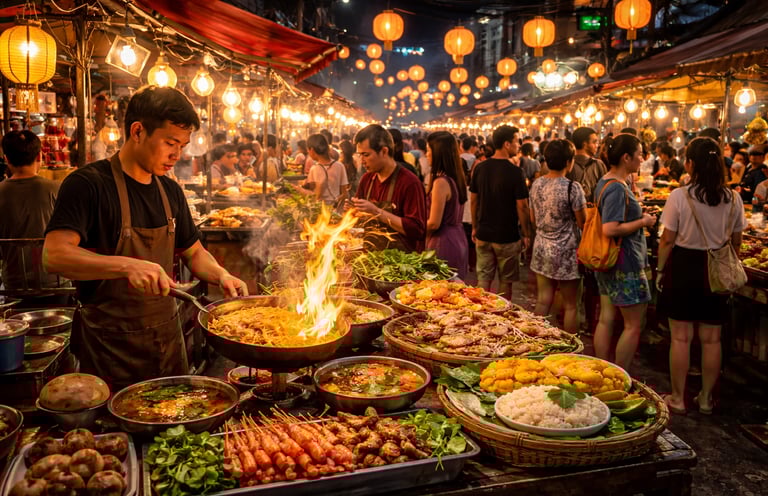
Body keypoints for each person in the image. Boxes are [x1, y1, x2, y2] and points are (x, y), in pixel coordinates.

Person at [43, 85, 248, 389]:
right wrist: (127, 266)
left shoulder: (170, 191)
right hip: (110, 350)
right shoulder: (88, 185)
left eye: (183, 145)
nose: (177, 154)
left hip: (167, 341)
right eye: (170, 142)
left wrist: (221, 274)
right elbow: (54, 255)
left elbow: (193, 252)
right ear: (138, 131)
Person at [656, 137, 746, 415]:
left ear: (691, 164)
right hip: (715, 269)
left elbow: (667, 240)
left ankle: (678, 398)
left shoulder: (679, 196)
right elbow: (737, 241)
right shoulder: (733, 198)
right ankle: (706, 399)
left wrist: (660, 270)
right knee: (712, 339)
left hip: (684, 266)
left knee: (681, 338)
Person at [592, 134, 657, 371]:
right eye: (639, 154)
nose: (642, 158)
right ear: (626, 157)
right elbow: (610, 228)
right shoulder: (617, 188)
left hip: (608, 260)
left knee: (606, 318)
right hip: (624, 261)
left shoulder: (604, 182)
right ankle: (620, 375)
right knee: (633, 324)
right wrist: (644, 222)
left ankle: (602, 371)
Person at [0, 131, 69, 305]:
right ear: (40, 156)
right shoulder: (57, 189)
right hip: (57, 284)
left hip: (13, 285)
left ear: (6, 159)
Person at [528, 139, 587, 333]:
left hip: (542, 247)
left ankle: (536, 342)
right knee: (571, 305)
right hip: (567, 251)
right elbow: (582, 222)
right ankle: (571, 349)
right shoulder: (573, 187)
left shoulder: (537, 184)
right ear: (569, 162)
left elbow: (533, 219)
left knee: (543, 300)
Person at [470, 125, 532, 302]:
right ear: (506, 144)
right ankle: (500, 317)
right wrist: (526, 234)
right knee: (506, 282)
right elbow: (522, 206)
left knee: (483, 279)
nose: (519, 145)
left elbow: (474, 200)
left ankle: (481, 316)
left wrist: (475, 226)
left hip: (484, 233)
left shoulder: (480, 168)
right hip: (507, 235)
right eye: (516, 141)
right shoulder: (515, 172)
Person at [350, 124, 426, 252]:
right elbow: (359, 219)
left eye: (366, 155)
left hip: (400, 262)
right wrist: (353, 210)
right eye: (360, 155)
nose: (362, 160)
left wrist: (376, 211)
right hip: (370, 257)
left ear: (384, 151)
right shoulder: (367, 179)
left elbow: (416, 230)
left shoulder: (409, 182)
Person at [425, 131, 468, 280]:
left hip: (443, 242)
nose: (426, 154)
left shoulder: (441, 183)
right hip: (458, 238)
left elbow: (433, 223)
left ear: (438, 153)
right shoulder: (456, 178)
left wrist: (411, 226)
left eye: (429, 150)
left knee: (439, 292)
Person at [301, 133, 349, 206]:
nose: (308, 153)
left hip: (319, 210)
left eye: (308, 150)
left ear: (312, 150)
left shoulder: (314, 169)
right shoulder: (340, 166)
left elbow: (313, 195)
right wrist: (335, 201)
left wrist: (299, 188)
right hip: (336, 211)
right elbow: (345, 194)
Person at [566, 127, 607, 204]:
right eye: (594, 142)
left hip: (593, 212)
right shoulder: (569, 165)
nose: (597, 146)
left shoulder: (598, 164)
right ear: (585, 144)